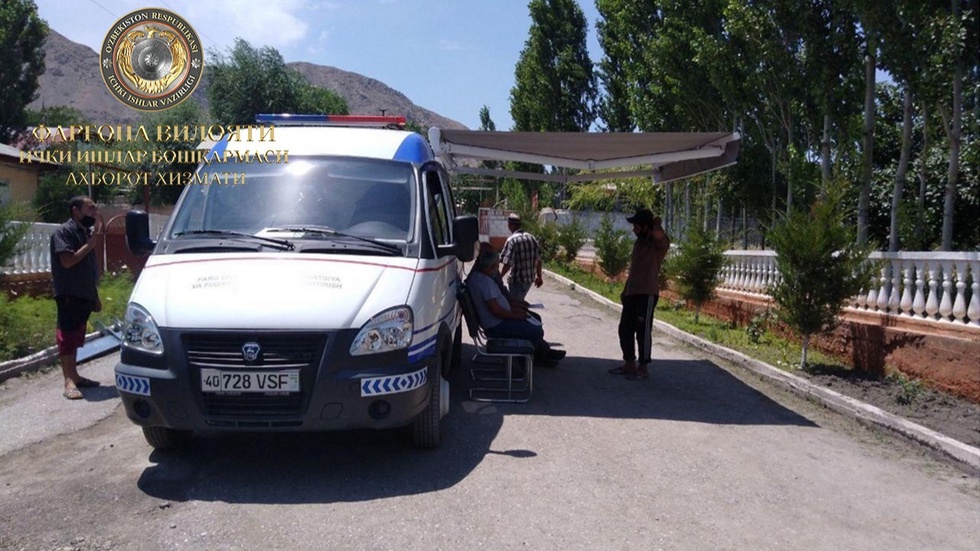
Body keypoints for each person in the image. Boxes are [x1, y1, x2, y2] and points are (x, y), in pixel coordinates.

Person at [466, 248, 564, 367]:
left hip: (498, 320)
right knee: (536, 331)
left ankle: (544, 352)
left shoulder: (480, 277)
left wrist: (515, 309)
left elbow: (500, 302)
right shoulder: (484, 282)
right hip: (497, 325)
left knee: (535, 319)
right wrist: (515, 316)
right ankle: (531, 358)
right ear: (490, 266)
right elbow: (495, 310)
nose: (497, 269)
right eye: (496, 266)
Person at [50, 196, 103, 399]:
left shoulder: (86, 233)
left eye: (95, 208)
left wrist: (94, 295)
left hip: (85, 294)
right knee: (67, 337)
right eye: (90, 208)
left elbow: (89, 268)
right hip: (69, 293)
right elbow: (67, 261)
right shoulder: (63, 232)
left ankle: (75, 376)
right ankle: (68, 381)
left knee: (75, 338)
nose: (94, 213)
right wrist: (89, 246)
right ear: (76, 211)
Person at [610, 208, 670, 381]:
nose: (633, 228)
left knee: (643, 331)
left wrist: (654, 223)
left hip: (647, 293)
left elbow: (659, 234)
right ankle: (629, 363)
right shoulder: (639, 243)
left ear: (645, 226)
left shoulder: (658, 244)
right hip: (632, 292)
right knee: (625, 328)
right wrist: (625, 290)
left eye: (636, 225)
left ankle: (643, 367)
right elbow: (634, 270)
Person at [499, 213, 543, 301]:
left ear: (510, 225)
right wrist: (539, 276)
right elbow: (539, 259)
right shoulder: (532, 238)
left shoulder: (512, 240)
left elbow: (507, 263)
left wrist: (499, 277)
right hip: (529, 280)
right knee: (519, 301)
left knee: (515, 304)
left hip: (516, 281)